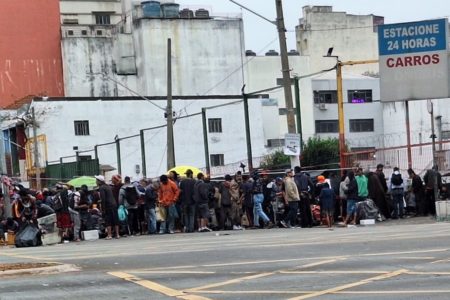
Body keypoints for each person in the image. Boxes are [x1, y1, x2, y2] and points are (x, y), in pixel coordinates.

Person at [96, 175, 120, 240]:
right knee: (115, 219)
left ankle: (109, 235)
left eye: (96, 180)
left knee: (108, 220)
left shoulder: (102, 187)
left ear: (99, 181)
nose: (96, 182)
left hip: (108, 205)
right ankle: (117, 234)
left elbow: (103, 198)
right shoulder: (108, 186)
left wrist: (103, 209)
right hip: (114, 204)